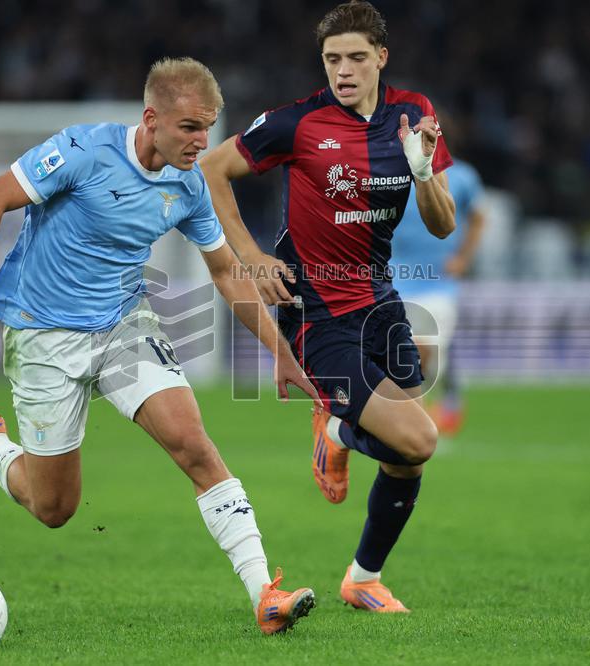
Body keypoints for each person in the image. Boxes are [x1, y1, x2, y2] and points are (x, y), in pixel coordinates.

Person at [0, 57, 318, 635]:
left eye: (207, 127)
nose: (200, 141)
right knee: (55, 509)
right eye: (188, 127)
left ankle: (264, 593)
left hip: (121, 323)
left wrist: (279, 351)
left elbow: (227, 272)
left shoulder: (189, 185)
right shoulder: (83, 151)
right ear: (151, 118)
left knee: (194, 443)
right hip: (42, 333)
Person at [200, 1, 455, 613]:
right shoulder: (298, 123)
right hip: (315, 313)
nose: (343, 70)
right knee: (420, 440)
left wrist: (421, 170)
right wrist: (250, 255)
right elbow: (212, 168)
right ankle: (336, 427)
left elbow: (443, 226)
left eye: (356, 58)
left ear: (381, 59)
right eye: (332, 58)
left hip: (381, 300)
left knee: (403, 460)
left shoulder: (414, 114)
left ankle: (362, 577)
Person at [390, 149, 486, 436]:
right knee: (397, 355)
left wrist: (464, 258)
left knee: (423, 349)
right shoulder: (385, 174)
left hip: (438, 282)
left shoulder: (462, 175)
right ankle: (414, 420)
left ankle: (425, 412)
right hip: (391, 277)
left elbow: (479, 217)